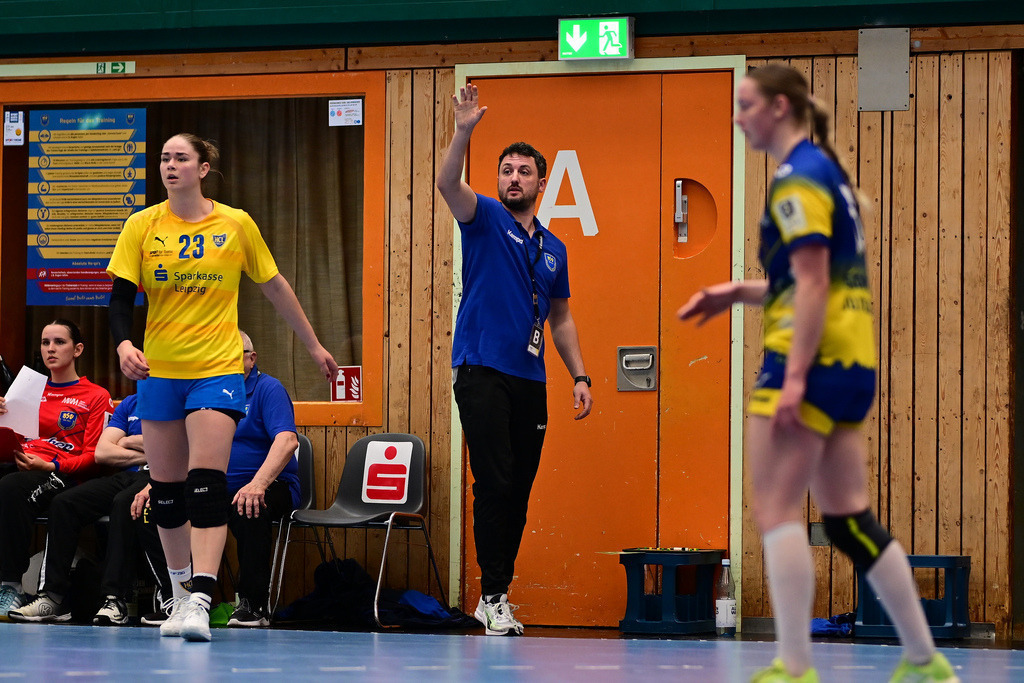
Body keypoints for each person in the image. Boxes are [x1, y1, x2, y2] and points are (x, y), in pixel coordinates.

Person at [677, 64, 957, 683]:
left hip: (806, 362)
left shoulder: (794, 180)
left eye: (746, 104)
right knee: (847, 518)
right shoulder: (827, 173)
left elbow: (811, 283)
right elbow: (801, 280)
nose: (737, 116)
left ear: (779, 108)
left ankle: (795, 665)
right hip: (853, 362)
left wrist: (795, 378)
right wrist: (735, 292)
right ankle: (924, 660)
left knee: (775, 512)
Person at [106, 133, 337, 642]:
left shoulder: (235, 224)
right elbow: (120, 298)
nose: (170, 166)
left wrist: (315, 345)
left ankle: (204, 597)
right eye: (164, 159)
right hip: (160, 373)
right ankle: (182, 594)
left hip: (216, 367)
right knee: (167, 492)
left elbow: (275, 287)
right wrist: (125, 344)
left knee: (205, 483)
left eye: (180, 158)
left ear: (203, 168)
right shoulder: (141, 225)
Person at [436, 84, 594, 637]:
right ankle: (495, 593)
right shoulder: (482, 219)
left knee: (519, 488)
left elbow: (561, 318)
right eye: (506, 170)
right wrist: (462, 131)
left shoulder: (555, 249)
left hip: (531, 378)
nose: (513, 179)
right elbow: (446, 182)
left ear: (541, 182)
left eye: (524, 172)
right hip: (481, 369)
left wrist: (580, 375)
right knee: (495, 480)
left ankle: (495, 595)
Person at [132, 330, 300, 628]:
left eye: (234, 355)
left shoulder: (267, 388)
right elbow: (179, 449)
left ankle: (252, 604)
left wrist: (258, 483)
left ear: (251, 358)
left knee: (249, 508)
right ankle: (177, 597)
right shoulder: (204, 390)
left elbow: (286, 441)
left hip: (265, 485)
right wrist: (156, 485)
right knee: (156, 507)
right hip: (211, 485)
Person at [7, 393, 166, 624]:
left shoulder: (176, 396)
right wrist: (150, 448)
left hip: (159, 476)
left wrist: (127, 441)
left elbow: (177, 446)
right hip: (127, 474)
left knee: (123, 502)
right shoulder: (131, 403)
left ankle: (115, 600)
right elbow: (103, 453)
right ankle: (51, 597)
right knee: (64, 503)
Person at [0, 320, 113, 618]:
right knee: (10, 482)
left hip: (64, 473)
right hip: (22, 465)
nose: (50, 348)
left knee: (11, 488)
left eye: (59, 342)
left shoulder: (95, 395)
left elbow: (95, 458)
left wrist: (51, 464)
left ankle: (10, 586)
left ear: (77, 349)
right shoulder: (26, 390)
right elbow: (14, 440)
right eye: (45, 342)